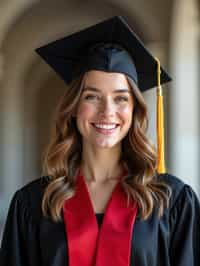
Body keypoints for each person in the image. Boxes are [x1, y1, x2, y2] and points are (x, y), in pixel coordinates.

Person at [0, 16, 200, 266]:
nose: (107, 111)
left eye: (121, 98)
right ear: (73, 107)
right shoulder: (33, 204)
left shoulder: (172, 201)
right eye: (92, 97)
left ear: (135, 109)